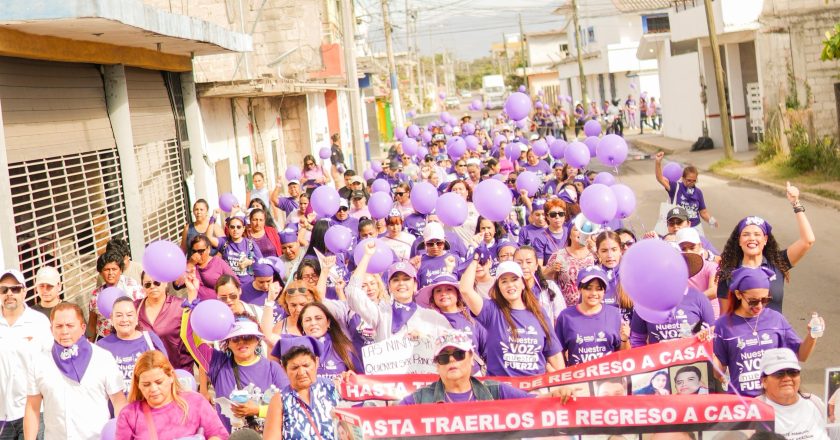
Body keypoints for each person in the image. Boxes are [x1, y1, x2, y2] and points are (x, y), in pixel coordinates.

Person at [713, 266, 822, 397]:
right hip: (743, 403)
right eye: (753, 301)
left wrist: (812, 336)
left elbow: (802, 355)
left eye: (765, 300)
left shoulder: (776, 319)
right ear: (738, 294)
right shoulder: (723, 325)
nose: (759, 306)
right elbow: (718, 373)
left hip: (775, 402)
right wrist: (706, 349)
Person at [24, 303, 126, 440]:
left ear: (83, 328)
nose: (64, 331)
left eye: (70, 325)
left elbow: (119, 403)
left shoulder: (103, 358)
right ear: (51, 329)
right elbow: (32, 407)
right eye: (59, 326)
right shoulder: (39, 362)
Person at [399, 331, 574, 404]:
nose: (452, 360)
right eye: (444, 358)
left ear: (471, 359)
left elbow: (533, 403)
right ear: (437, 366)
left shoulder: (496, 390)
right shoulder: (420, 398)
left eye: (459, 354)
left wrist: (557, 395)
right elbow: (388, 421)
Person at [717, 184, 815, 312]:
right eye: (746, 234)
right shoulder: (728, 273)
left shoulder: (777, 263)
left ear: (765, 240)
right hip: (744, 332)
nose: (752, 238)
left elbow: (808, 240)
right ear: (739, 241)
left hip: (775, 331)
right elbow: (725, 317)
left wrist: (796, 203)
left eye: (757, 234)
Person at [182, 315, 287, 432]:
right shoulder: (217, 364)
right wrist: (189, 309)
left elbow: (289, 406)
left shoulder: (273, 368)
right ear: (228, 343)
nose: (241, 342)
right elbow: (188, 337)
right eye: (235, 339)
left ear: (257, 340)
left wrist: (258, 410)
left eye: (247, 337)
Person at [460, 259, 564, 376]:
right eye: (504, 281)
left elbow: (554, 354)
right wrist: (475, 260)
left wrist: (562, 384)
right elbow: (465, 290)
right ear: (498, 287)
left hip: (536, 389)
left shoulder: (539, 312)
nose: (510, 285)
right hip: (501, 390)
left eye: (514, 279)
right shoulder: (491, 310)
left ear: (523, 284)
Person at [347, 245, 451, 341]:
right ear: (389, 286)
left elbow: (448, 346)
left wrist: (425, 340)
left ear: (415, 285)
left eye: (406, 279)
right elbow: (353, 293)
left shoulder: (432, 317)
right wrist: (367, 256)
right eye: (396, 280)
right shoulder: (380, 314)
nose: (401, 283)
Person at [115, 350, 227, 440]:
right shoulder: (129, 414)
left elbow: (218, 434)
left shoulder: (195, 402)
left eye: (159, 382)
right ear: (138, 384)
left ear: (171, 377)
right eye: (146, 384)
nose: (153, 389)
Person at [0, 269, 52, 440]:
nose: (9, 294)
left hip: (33, 411)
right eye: (4, 289)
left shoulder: (38, 322)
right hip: (2, 416)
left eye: (15, 289)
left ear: (24, 291)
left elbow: (50, 364)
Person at [262, 340, 340, 440]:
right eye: (294, 368)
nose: (301, 372)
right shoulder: (280, 400)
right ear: (284, 369)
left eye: (306, 365)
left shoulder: (333, 388)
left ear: (316, 362)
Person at [415, 273, 488, 375]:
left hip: (474, 378)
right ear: (433, 297)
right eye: (438, 291)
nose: (443, 294)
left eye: (449, 289)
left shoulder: (473, 316)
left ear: (458, 294)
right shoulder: (427, 320)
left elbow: (487, 351)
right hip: (441, 379)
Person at [555, 266, 629, 365]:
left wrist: (625, 339)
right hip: (578, 378)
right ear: (580, 289)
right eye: (588, 288)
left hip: (609, 378)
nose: (594, 293)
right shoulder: (566, 317)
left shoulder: (614, 314)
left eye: (599, 289)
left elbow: (624, 356)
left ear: (604, 291)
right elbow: (557, 353)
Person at [97, 297, 169, 393]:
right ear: (111, 318)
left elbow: (166, 372)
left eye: (129, 315)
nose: (124, 319)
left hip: (148, 403)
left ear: (136, 317)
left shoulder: (150, 339)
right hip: (117, 406)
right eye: (119, 315)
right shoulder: (102, 346)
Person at [756, 348, 829, 440]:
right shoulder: (752, 410)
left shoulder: (815, 402)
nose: (787, 378)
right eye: (779, 373)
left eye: (793, 372)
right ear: (764, 381)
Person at [136, 271, 195, 371]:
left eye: (157, 282)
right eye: (147, 284)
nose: (152, 286)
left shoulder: (180, 306)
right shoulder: (134, 308)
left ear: (165, 283)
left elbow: (194, 335)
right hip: (147, 373)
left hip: (178, 370)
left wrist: (193, 292)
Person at [291, 303, 360, 378]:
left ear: (328, 322)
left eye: (318, 318)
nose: (313, 323)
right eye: (307, 320)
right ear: (302, 326)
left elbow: (362, 380)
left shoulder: (345, 348)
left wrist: (351, 376)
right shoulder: (294, 349)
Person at [89, 250, 145, 340]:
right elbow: (92, 324)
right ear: (100, 272)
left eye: (114, 269)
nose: (111, 273)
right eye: (107, 270)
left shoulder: (132, 287)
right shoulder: (96, 295)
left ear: (121, 270)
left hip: (129, 337)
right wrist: (89, 346)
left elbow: (143, 313)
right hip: (105, 340)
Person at [654, 152, 717, 230]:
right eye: (688, 180)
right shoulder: (675, 187)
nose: (691, 183)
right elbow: (660, 178)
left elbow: (703, 212)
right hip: (679, 227)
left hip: (696, 227)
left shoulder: (698, 192)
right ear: (683, 178)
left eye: (694, 181)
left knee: (701, 242)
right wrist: (658, 162)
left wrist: (711, 221)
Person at [544, 215, 596, 306]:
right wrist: (551, 270)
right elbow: (544, 279)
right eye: (576, 230)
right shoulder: (558, 255)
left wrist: (595, 249)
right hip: (565, 307)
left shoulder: (595, 255)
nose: (580, 233)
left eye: (584, 231)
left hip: (591, 305)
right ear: (569, 234)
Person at [209, 216, 263, 286]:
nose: (235, 230)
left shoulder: (250, 243)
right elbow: (209, 238)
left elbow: (261, 262)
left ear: (243, 228)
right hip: (230, 284)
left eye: (238, 227)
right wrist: (212, 219)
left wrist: (249, 262)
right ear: (228, 228)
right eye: (232, 227)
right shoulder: (224, 242)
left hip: (248, 284)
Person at [189, 235, 236, 301]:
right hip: (198, 306)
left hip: (218, 304)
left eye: (201, 251)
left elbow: (234, 282)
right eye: (194, 251)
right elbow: (177, 284)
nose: (197, 254)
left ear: (208, 249)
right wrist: (190, 264)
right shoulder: (191, 264)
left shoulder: (218, 262)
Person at [530, 199, 569, 266]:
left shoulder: (570, 232)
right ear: (547, 217)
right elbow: (539, 268)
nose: (557, 217)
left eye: (561, 214)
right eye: (553, 214)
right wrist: (552, 269)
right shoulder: (540, 238)